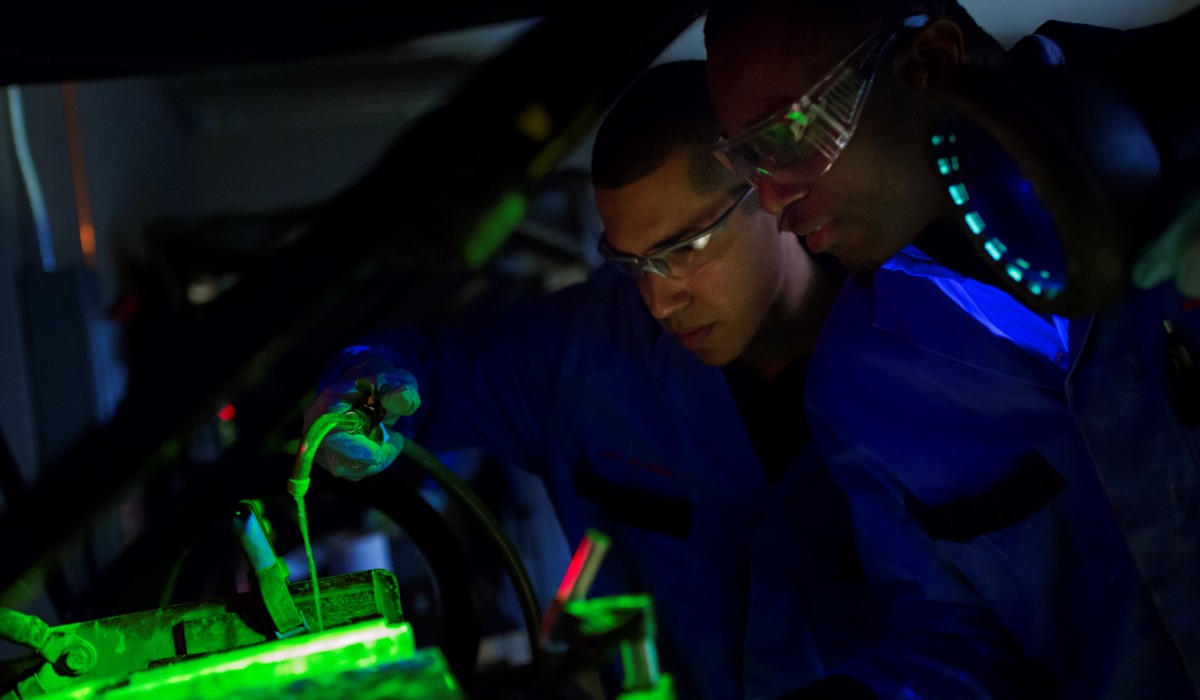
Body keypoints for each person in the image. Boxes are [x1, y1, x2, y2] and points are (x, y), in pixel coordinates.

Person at [302, 59, 873, 699]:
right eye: (633, 264)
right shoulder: (585, 354)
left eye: (683, 249)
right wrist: (363, 398)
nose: (659, 302)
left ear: (770, 193)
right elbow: (419, 366)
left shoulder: (923, 352)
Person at [704, 1, 1200, 698]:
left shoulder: (1177, 109)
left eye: (789, 135)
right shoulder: (859, 386)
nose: (775, 204)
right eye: (749, 164)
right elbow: (957, 634)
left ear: (931, 61)